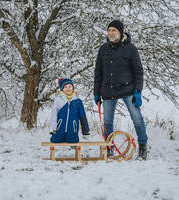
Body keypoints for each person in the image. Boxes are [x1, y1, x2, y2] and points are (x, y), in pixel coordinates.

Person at [93, 20, 148, 160]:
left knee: (137, 118)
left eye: (114, 30)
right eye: (109, 30)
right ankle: (109, 147)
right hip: (108, 91)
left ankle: (142, 147)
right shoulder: (103, 49)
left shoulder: (130, 49)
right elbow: (98, 72)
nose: (111, 33)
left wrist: (138, 91)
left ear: (120, 32)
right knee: (107, 122)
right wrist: (96, 92)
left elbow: (138, 71)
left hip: (128, 90)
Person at [50, 78, 90, 143]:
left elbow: (82, 116)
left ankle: (70, 138)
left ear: (73, 87)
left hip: (72, 129)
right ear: (62, 89)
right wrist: (53, 128)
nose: (68, 88)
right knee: (55, 140)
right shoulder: (58, 100)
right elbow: (54, 115)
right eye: (65, 87)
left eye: (69, 86)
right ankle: (59, 136)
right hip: (59, 128)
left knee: (72, 140)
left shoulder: (78, 101)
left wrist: (85, 130)